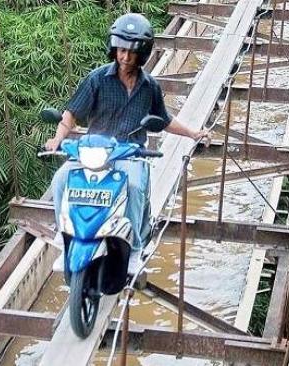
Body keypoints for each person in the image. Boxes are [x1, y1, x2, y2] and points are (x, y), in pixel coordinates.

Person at [45, 13, 208, 273]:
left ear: (141, 54)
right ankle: (65, 238)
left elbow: (163, 119)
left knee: (133, 185)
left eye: (131, 52)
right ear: (114, 48)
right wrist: (57, 138)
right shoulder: (97, 79)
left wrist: (193, 133)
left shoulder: (150, 87)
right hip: (95, 150)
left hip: (128, 154)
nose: (124, 57)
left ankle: (133, 250)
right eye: (121, 50)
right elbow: (71, 113)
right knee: (61, 179)